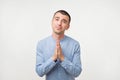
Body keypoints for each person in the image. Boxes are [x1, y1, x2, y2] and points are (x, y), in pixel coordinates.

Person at [36, 10, 82, 80]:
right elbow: (39, 72)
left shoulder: (75, 45)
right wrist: (53, 58)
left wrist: (62, 58)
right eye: (57, 19)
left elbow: (77, 72)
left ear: (67, 26)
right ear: (52, 22)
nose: (59, 23)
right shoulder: (41, 44)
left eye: (64, 21)